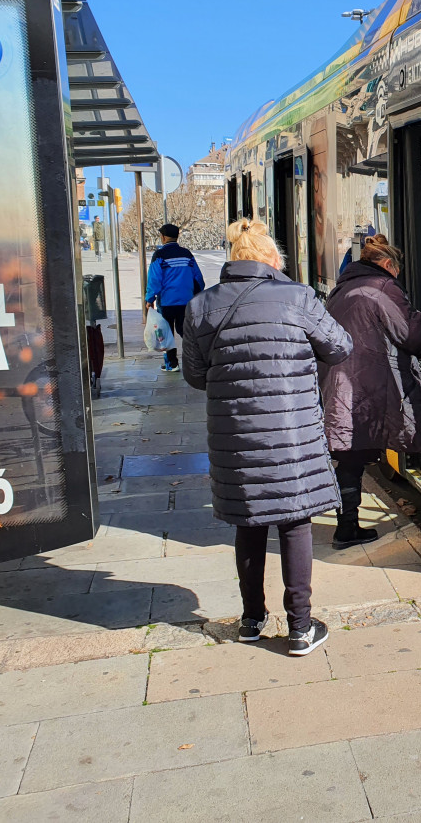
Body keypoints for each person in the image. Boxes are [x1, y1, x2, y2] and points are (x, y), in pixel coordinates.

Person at [183, 218, 352, 652]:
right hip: (292, 434)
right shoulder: (298, 297)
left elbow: (195, 375)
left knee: (249, 521)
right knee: (295, 521)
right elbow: (340, 347)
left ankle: (251, 620)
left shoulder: (201, 306)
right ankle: (300, 628)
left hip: (235, 435)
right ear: (272, 259)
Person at [321, 234, 421, 550]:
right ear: (388, 265)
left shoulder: (341, 290)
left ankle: (346, 527)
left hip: (340, 382)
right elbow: (412, 334)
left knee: (351, 453)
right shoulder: (383, 288)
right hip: (376, 378)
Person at [146, 223, 205, 372]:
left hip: (166, 301)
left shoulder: (159, 255)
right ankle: (197, 358)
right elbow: (198, 277)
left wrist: (150, 298)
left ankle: (172, 364)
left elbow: (154, 279)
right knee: (185, 330)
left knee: (167, 332)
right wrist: (196, 293)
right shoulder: (186, 254)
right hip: (186, 300)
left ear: (163, 237)